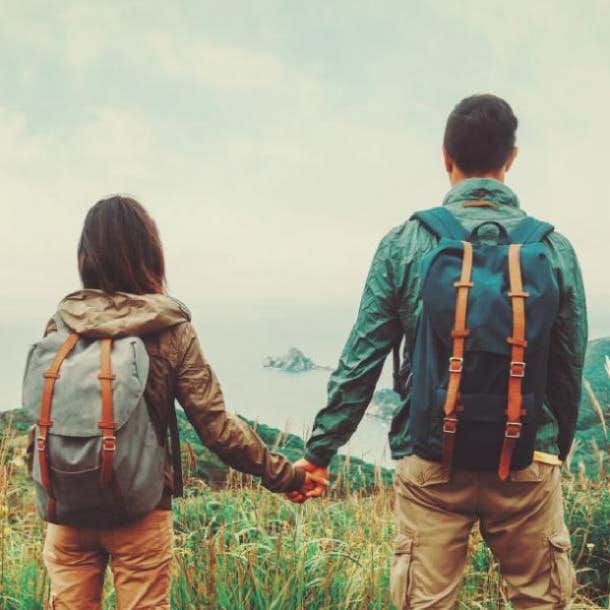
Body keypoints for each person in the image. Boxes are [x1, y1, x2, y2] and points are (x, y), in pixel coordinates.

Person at [289, 94, 588, 609]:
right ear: (511, 159)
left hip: (431, 462)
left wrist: (319, 453)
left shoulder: (405, 242)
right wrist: (548, 451)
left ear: (445, 157)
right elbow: (568, 364)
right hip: (525, 461)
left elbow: (361, 360)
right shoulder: (552, 249)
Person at [30, 196, 321, 610]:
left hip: (67, 508)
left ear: (86, 255)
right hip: (141, 509)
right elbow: (217, 427)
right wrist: (285, 475)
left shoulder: (61, 323)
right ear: (151, 252)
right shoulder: (171, 329)